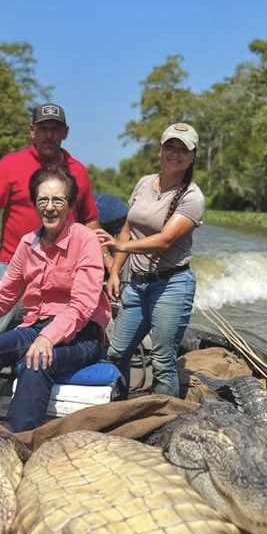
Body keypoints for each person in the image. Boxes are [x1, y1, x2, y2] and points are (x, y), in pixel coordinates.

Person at [0, 165, 111, 432]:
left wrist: (48, 337)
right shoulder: (28, 243)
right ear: (34, 204)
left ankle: (18, 439)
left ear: (70, 205)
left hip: (83, 334)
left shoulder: (85, 240)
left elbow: (82, 305)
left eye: (58, 200)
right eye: (42, 200)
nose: (49, 207)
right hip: (37, 325)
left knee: (37, 362)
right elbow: (5, 293)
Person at [0, 103, 103, 333]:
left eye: (55, 129)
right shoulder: (11, 164)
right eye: (43, 129)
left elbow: (89, 220)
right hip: (14, 264)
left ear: (65, 133)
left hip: (64, 268)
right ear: (32, 131)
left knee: (56, 331)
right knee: (0, 331)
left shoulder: (77, 170)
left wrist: (102, 257)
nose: (49, 135)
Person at [96, 122, 205, 398]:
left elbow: (164, 240)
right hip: (137, 284)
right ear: (160, 150)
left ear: (192, 157)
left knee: (162, 361)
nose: (175, 154)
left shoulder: (192, 197)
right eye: (170, 146)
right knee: (116, 352)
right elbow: (128, 227)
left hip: (172, 285)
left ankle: (166, 415)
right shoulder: (145, 183)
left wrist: (119, 246)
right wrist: (114, 272)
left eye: (183, 150)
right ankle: (118, 407)